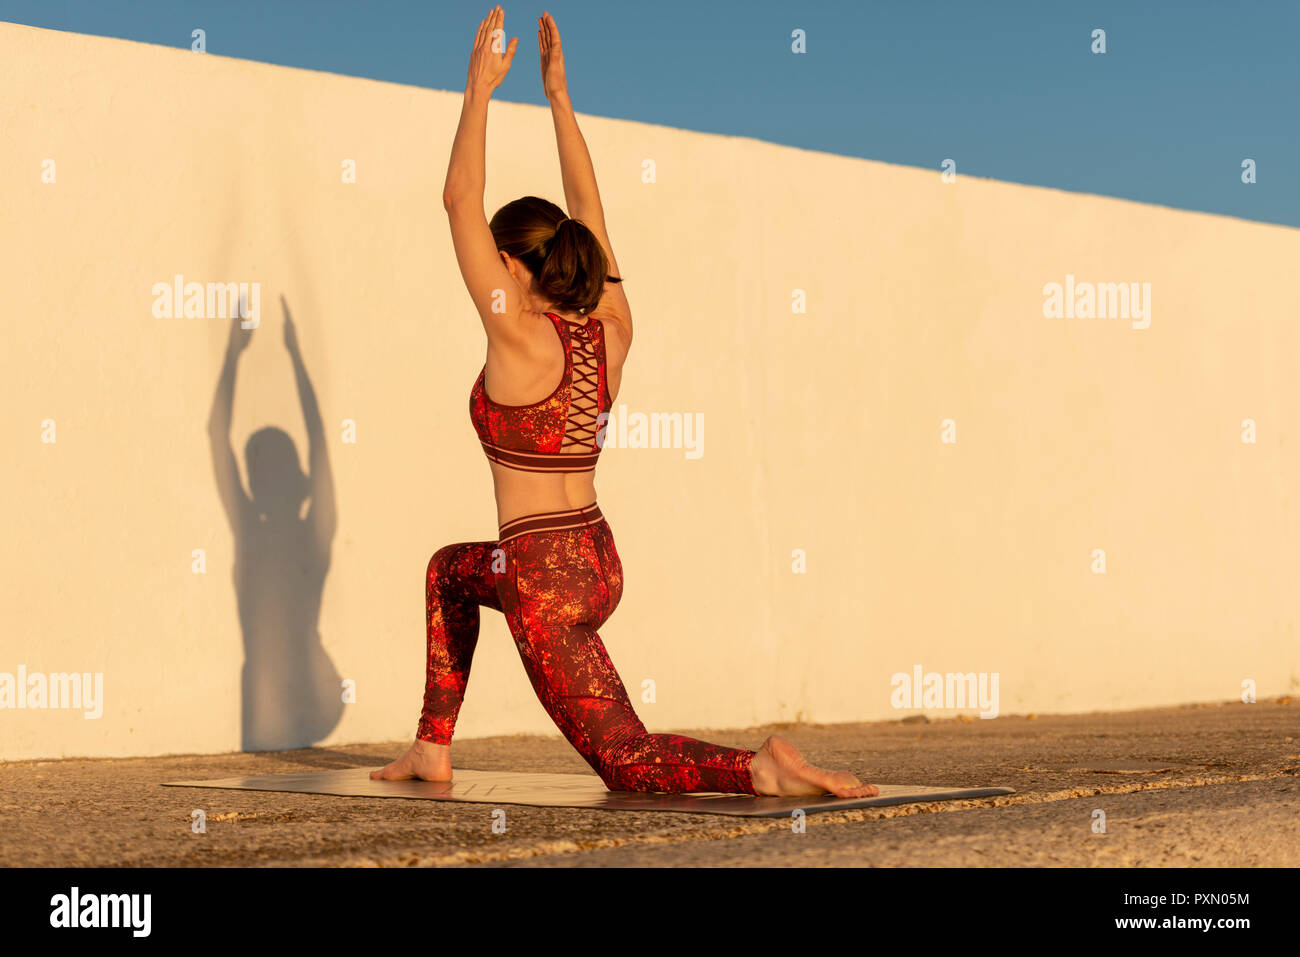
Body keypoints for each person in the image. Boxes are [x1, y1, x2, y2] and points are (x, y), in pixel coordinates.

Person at [374, 8, 876, 798]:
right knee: (451, 571)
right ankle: (432, 748)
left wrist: (477, 92)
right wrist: (559, 100)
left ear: (508, 263)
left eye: (496, 261)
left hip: (543, 578)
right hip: (595, 558)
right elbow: (589, 210)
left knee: (628, 762)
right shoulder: (611, 326)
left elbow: (456, 198)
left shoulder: (514, 333)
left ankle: (760, 767)